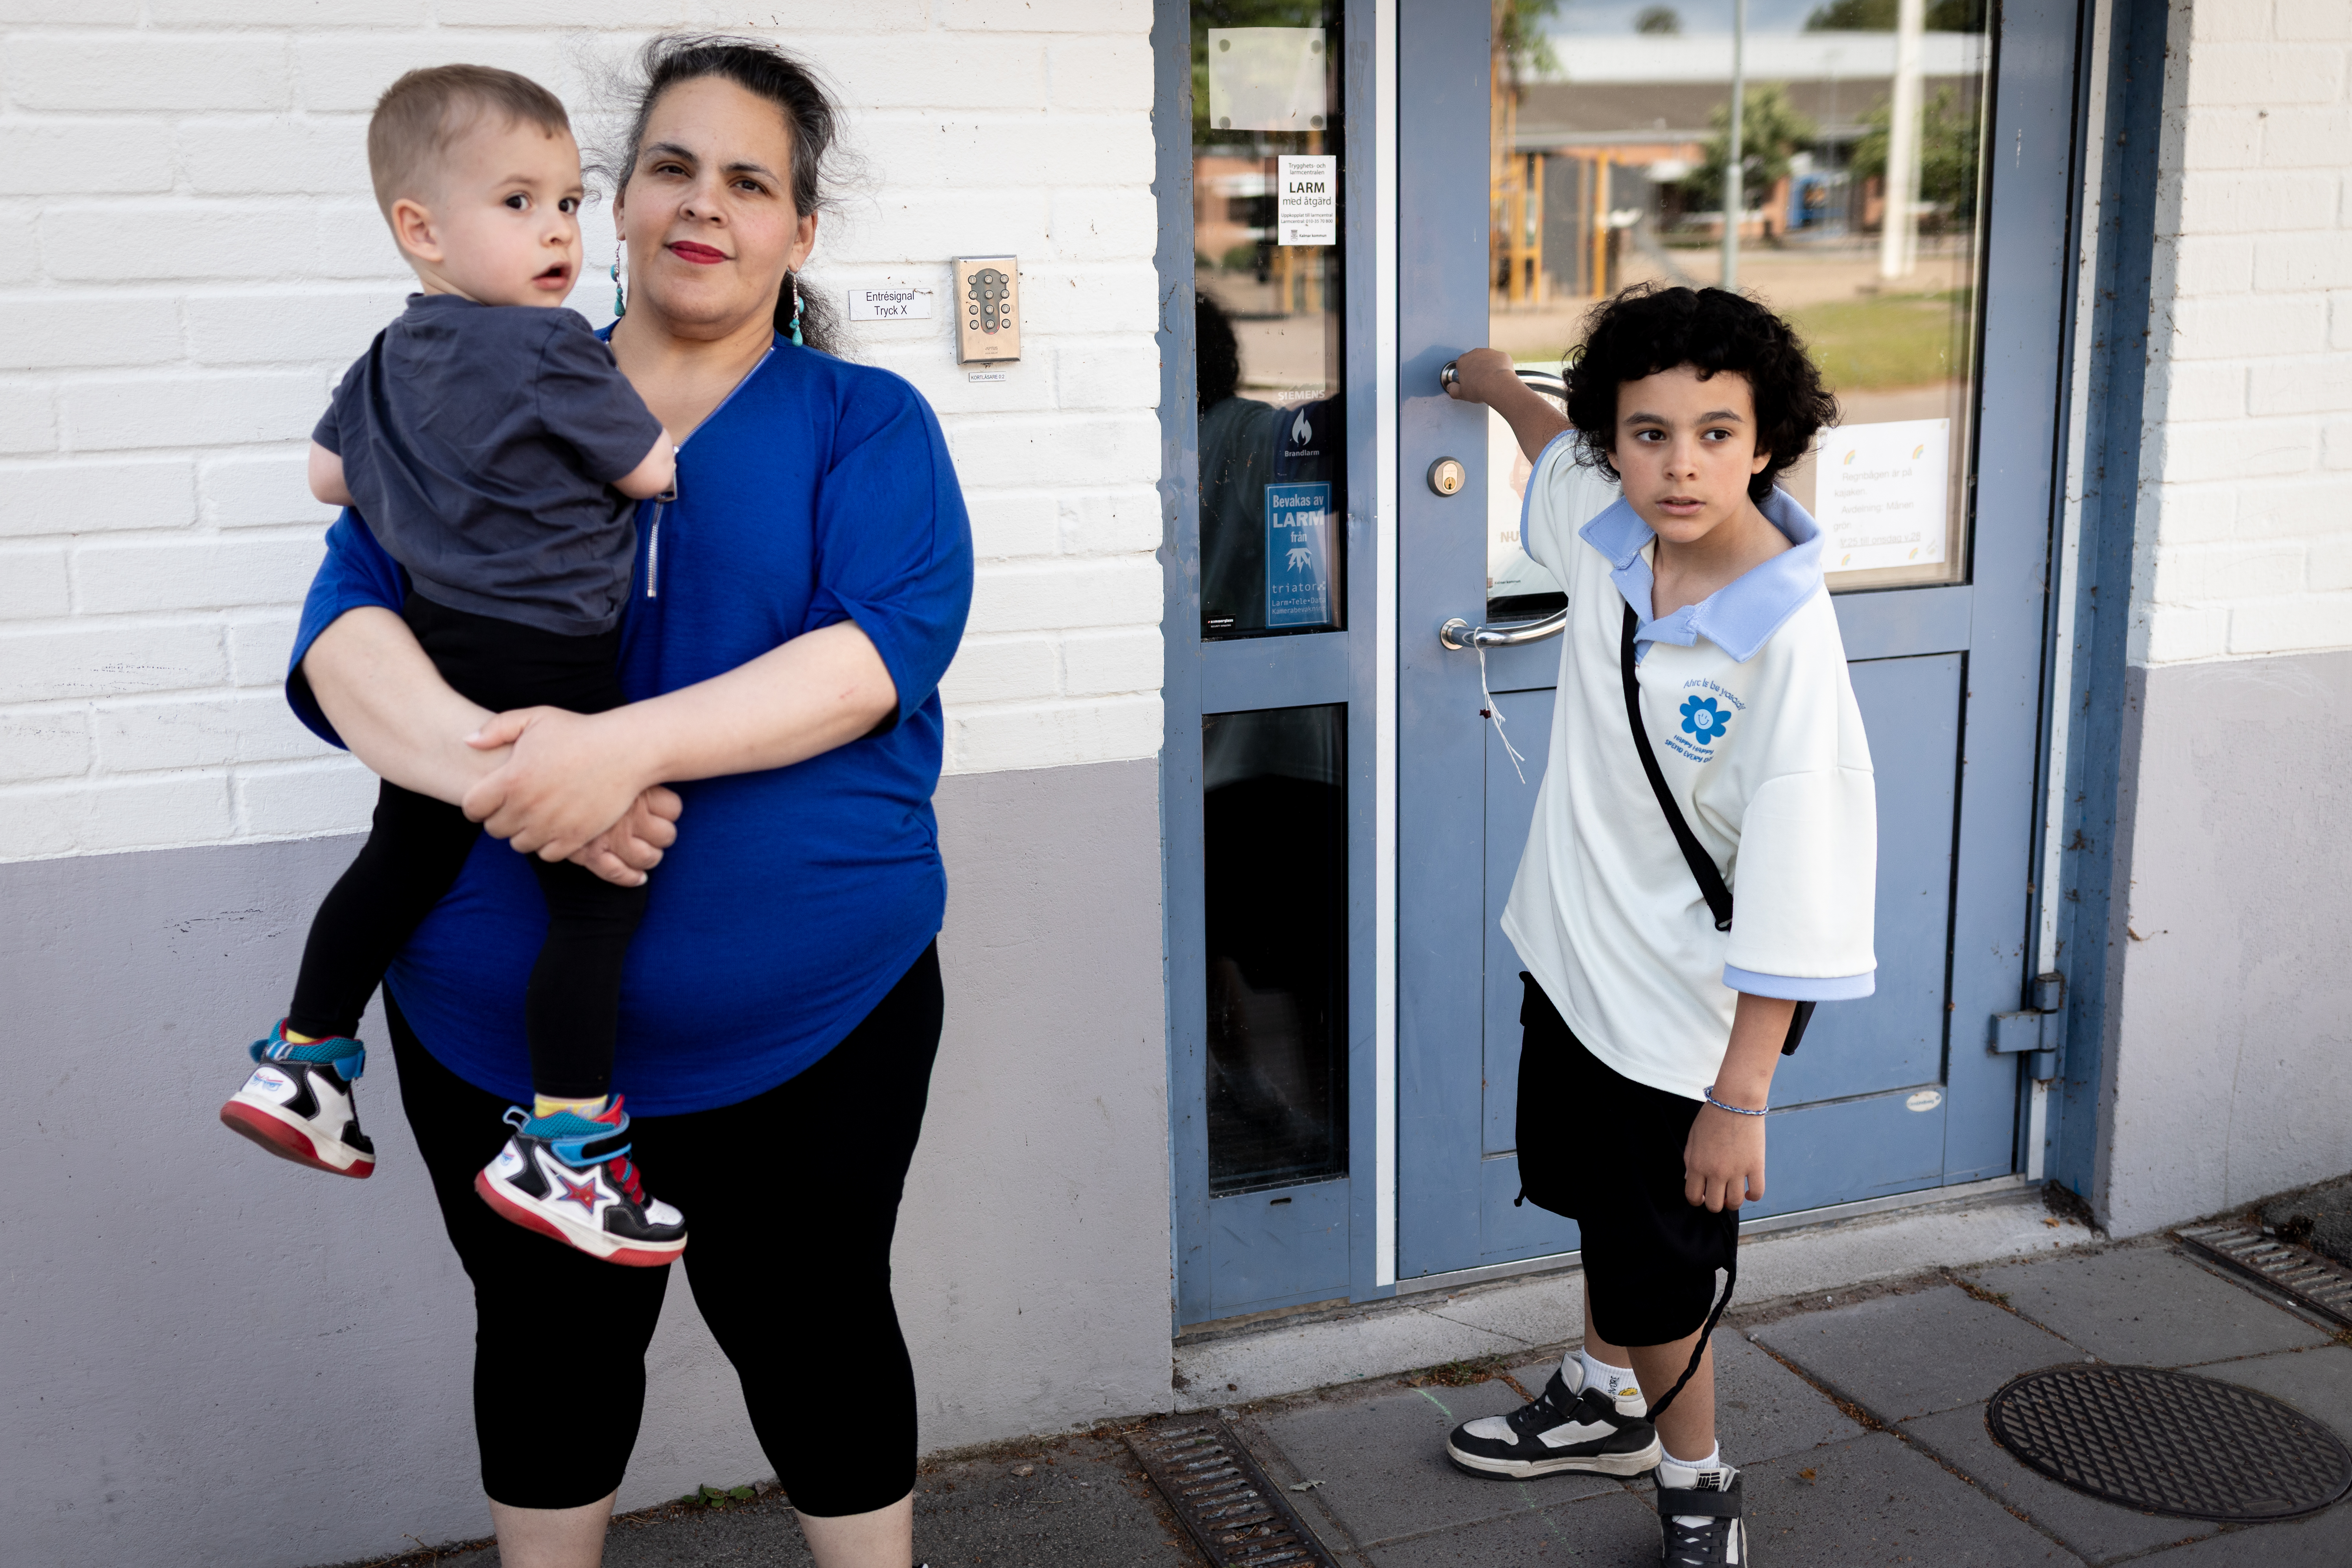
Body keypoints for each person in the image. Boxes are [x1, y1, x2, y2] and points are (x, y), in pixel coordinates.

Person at [274, 36, 971, 1568]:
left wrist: (621, 749)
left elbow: (873, 659)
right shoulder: (466, 391)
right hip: (492, 1037)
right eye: (671, 166)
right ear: (617, 204)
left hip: (816, 1030)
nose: (704, 203)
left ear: (799, 229)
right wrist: (528, 780)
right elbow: (345, 642)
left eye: (750, 179)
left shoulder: (866, 425)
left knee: (817, 1341)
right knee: (548, 1354)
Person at [217, 64, 693, 1265]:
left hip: (437, 654)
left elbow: (328, 478)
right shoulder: (551, 351)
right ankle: (566, 1142)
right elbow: (652, 472)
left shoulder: (386, 356)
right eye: (520, 202)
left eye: (571, 203)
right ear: (419, 228)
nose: (558, 232)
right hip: (555, 655)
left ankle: (306, 1058)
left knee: (404, 855)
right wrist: (655, 438)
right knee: (594, 900)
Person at [1436, 285, 1875, 1567]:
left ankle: (1696, 1484)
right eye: (1647, 432)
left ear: (1767, 441)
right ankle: (1604, 1392)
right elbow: (1542, 437)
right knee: (1592, 1210)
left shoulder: (1786, 639)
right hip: (1570, 960)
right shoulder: (1606, 520)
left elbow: (1803, 883)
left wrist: (1738, 1096)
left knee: (1665, 1276)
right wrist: (1490, 381)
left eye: (1716, 434)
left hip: (1683, 1024)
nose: (1680, 465)